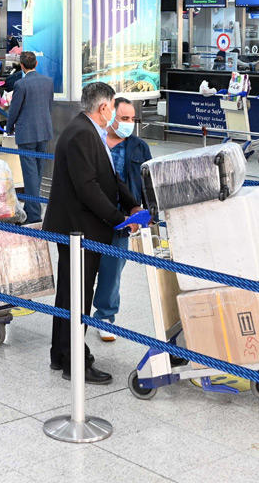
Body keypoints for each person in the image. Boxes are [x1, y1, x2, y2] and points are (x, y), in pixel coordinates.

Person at [43, 82, 142, 385]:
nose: (114, 114)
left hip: (79, 229)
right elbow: (88, 188)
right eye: (113, 107)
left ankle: (61, 353)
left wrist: (132, 204)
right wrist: (118, 219)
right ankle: (74, 362)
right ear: (103, 107)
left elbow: (109, 177)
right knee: (78, 297)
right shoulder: (82, 134)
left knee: (70, 294)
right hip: (79, 230)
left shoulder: (88, 131)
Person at [93, 97, 152, 341]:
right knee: (83, 269)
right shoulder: (94, 142)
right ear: (110, 117)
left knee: (112, 271)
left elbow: (148, 183)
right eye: (124, 118)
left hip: (122, 220)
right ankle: (75, 313)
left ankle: (105, 316)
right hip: (91, 216)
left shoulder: (139, 147)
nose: (129, 123)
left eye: (132, 119)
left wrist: (148, 215)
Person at [5, 51, 53, 224]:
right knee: (37, 173)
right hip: (44, 131)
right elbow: (49, 105)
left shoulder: (21, 84)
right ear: (36, 64)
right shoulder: (48, 82)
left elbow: (14, 109)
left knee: (30, 174)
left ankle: (33, 214)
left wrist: (9, 126)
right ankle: (32, 207)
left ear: (22, 65)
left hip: (27, 134)